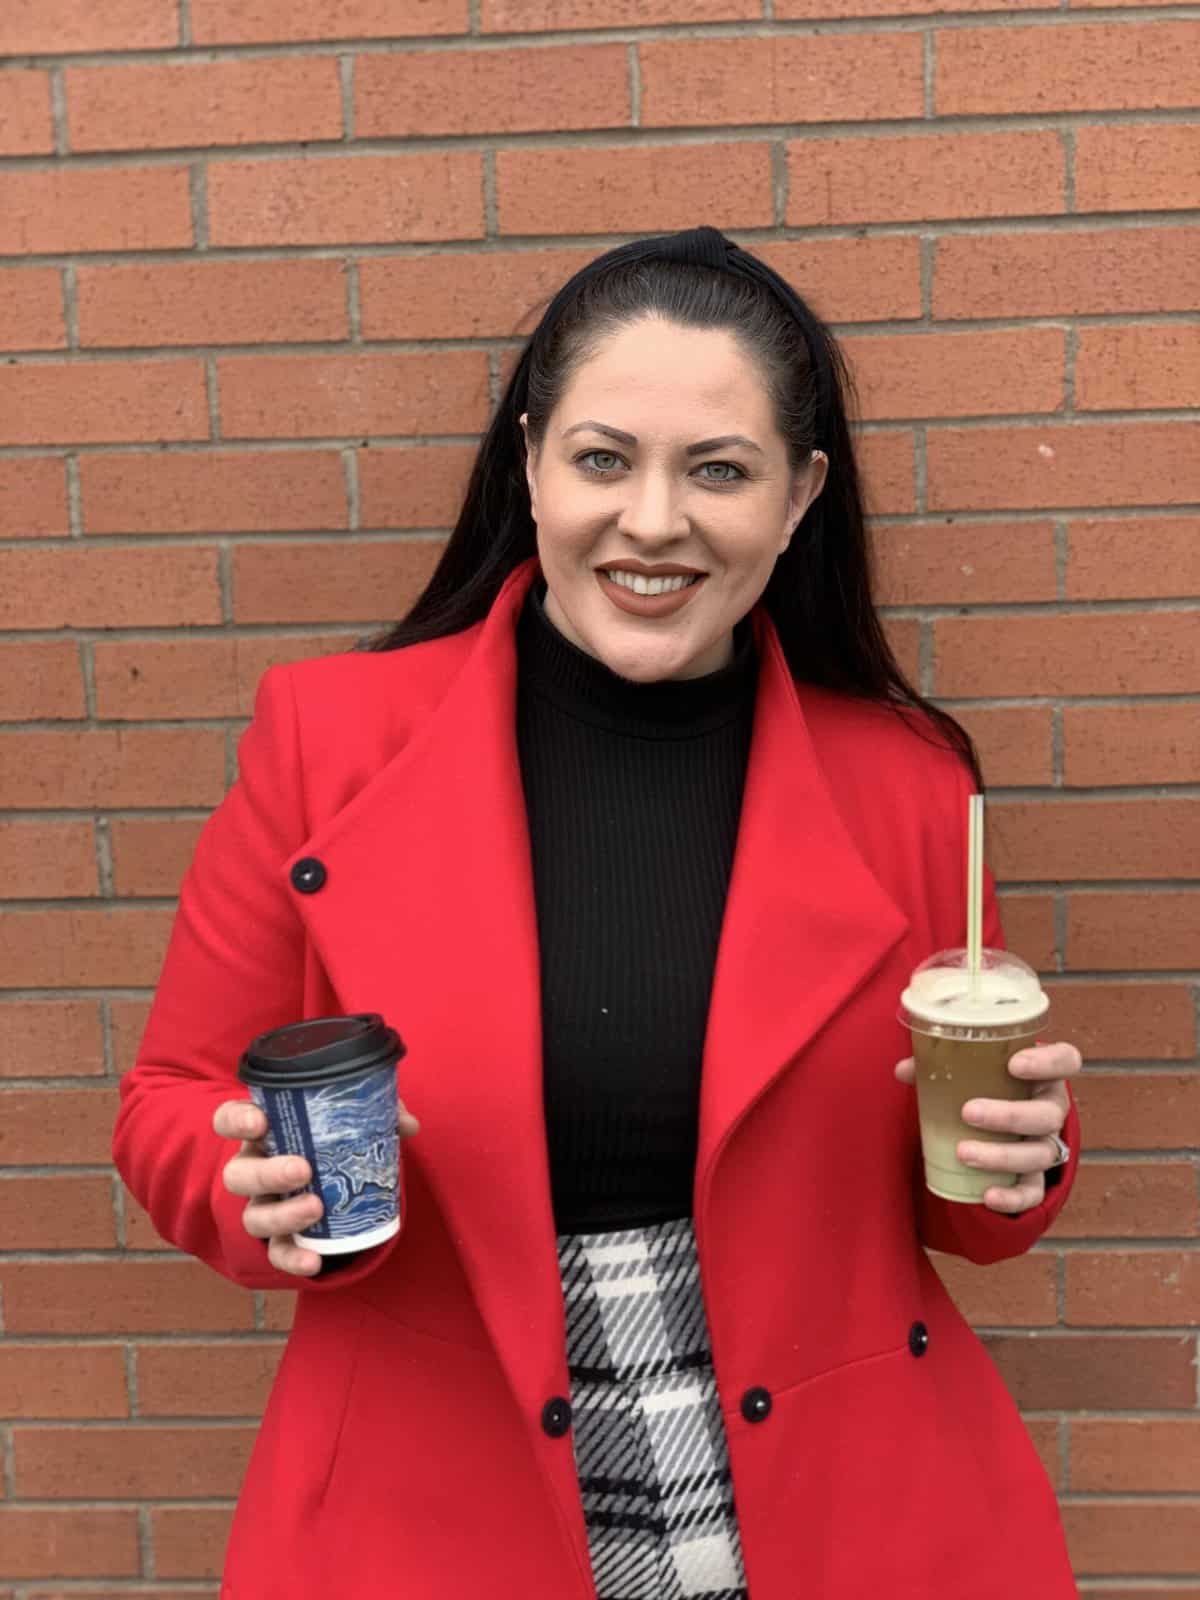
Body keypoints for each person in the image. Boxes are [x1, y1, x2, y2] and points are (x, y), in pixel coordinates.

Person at [112, 225, 1083, 1600]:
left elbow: (970, 1220)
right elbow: (170, 1094)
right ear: (530, 463)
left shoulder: (913, 788)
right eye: (603, 458)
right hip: (435, 1502)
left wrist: (1025, 1154)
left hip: (834, 1504)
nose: (652, 521)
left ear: (800, 496)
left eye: (720, 471)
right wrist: (244, 1186)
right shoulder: (327, 743)